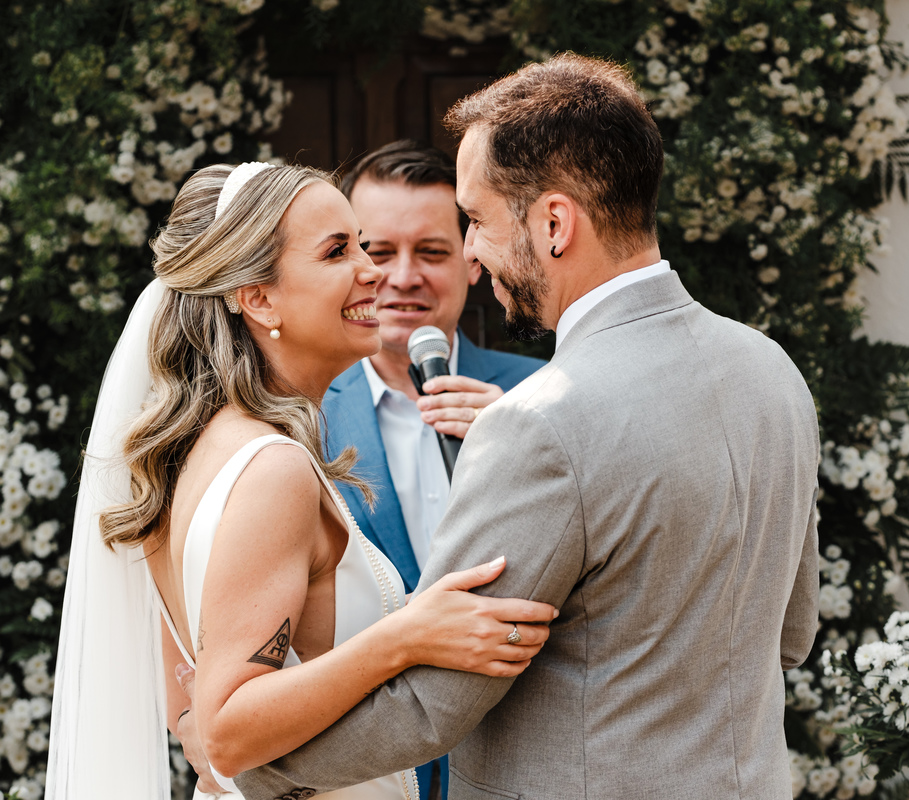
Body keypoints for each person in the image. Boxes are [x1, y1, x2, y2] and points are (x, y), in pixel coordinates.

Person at [237, 52, 820, 800]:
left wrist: (249, 766)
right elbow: (792, 633)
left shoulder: (542, 422)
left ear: (553, 223)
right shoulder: (771, 370)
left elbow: (430, 706)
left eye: (475, 219)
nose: (472, 250)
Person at [46, 161, 557, 800]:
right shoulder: (271, 466)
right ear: (259, 297)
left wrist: (195, 730)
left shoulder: (195, 449)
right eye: (339, 251)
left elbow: (188, 671)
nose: (374, 272)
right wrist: (406, 634)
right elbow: (228, 727)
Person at [328, 142, 546, 800]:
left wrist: (527, 439)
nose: (402, 276)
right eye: (377, 251)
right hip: (364, 760)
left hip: (519, 756)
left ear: (471, 261)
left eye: (430, 252)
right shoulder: (298, 418)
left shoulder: (545, 397)